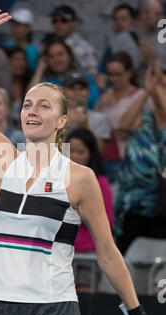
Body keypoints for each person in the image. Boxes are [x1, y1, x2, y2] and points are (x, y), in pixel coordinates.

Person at [0, 10, 150, 315]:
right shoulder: (5, 158)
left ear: (62, 120)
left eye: (43, 105)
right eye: (27, 104)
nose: (32, 110)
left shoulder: (80, 177)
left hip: (54, 309)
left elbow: (107, 253)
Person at [115, 61, 166, 254]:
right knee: (125, 257)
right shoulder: (142, 117)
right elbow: (123, 126)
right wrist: (147, 91)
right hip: (135, 203)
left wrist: (160, 88)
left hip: (163, 206)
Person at [66, 128, 114, 292]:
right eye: (71, 150)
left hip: (86, 256)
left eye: (80, 151)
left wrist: (76, 209)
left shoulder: (100, 182)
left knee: (84, 306)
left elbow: (107, 222)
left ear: (90, 154)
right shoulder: (54, 180)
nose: (74, 156)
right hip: (59, 253)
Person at [95, 52, 147, 184]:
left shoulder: (141, 96)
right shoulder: (108, 94)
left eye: (118, 74)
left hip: (127, 158)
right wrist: (100, 103)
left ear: (129, 73)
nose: (113, 79)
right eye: (110, 74)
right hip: (103, 157)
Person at [43, 5, 99, 76]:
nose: (58, 25)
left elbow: (93, 75)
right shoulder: (48, 44)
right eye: (54, 21)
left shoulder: (85, 48)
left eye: (64, 20)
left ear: (73, 22)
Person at [64, 71, 111, 153]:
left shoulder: (99, 119)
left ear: (88, 91)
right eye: (72, 88)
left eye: (81, 89)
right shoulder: (53, 118)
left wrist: (85, 126)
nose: (77, 93)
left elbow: (98, 152)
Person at [4, 7, 39, 72]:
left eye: (18, 25)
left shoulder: (34, 51)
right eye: (12, 25)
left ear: (28, 28)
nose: (14, 28)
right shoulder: (6, 45)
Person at [6, 47, 32, 128]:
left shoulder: (29, 84)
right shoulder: (2, 84)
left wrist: (40, 68)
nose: (21, 63)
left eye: (23, 60)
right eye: (16, 59)